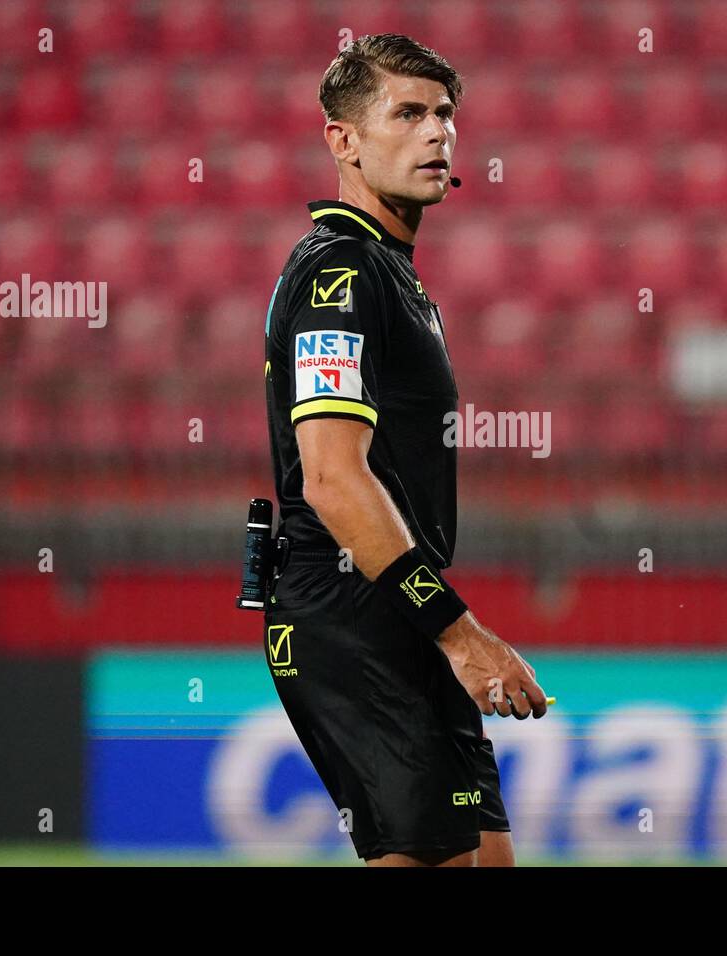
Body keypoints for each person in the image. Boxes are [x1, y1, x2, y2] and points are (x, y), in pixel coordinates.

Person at [261, 33, 548, 867]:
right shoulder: (340, 276)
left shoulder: (387, 271)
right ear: (342, 141)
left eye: (447, 113)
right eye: (409, 112)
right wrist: (460, 635)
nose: (438, 134)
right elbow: (331, 478)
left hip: (396, 616)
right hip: (352, 615)